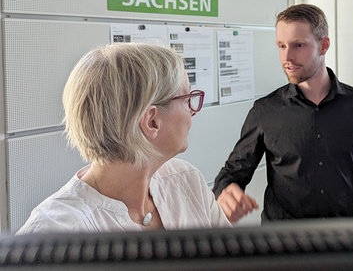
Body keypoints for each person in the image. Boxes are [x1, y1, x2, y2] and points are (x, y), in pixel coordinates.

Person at [17, 43, 231, 234]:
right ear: (152, 121)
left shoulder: (185, 179)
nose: (193, 111)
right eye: (187, 100)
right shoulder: (52, 233)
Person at [213, 4, 353, 223]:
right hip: (282, 242)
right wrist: (227, 189)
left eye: (298, 45)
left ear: (323, 45)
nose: (287, 56)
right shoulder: (265, 111)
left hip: (344, 238)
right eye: (281, 45)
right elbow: (232, 172)